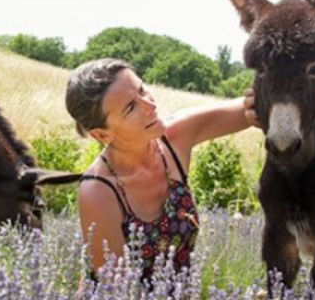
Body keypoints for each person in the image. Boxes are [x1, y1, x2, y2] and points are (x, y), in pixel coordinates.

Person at [65, 58, 258, 283]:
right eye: (130, 108)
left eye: (142, 89)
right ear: (102, 135)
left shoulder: (174, 138)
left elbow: (251, 109)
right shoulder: (98, 191)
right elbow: (117, 296)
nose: (149, 105)